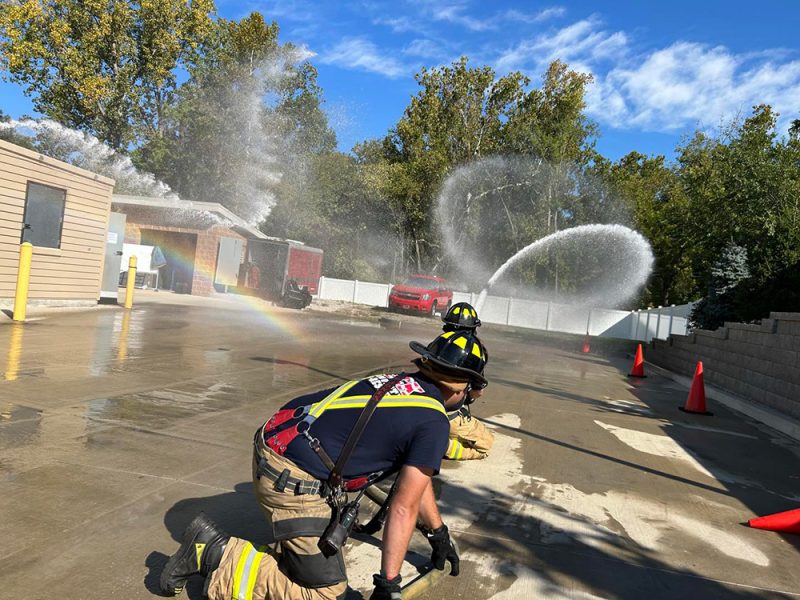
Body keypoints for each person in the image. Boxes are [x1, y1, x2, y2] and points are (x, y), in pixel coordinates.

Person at [159, 330, 488, 600]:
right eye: (475, 390)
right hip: (291, 481)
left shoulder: (398, 382)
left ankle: (291, 554)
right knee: (326, 593)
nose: (476, 398)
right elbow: (403, 508)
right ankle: (212, 553)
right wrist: (389, 584)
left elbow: (416, 483)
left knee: (315, 566)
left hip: (275, 447)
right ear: (462, 388)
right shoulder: (433, 423)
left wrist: (437, 532)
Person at [440, 303, 494, 461]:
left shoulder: (438, 344)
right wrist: (467, 397)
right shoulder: (476, 352)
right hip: (447, 417)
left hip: (420, 408)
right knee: (485, 445)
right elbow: (478, 391)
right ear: (473, 328)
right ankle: (441, 446)